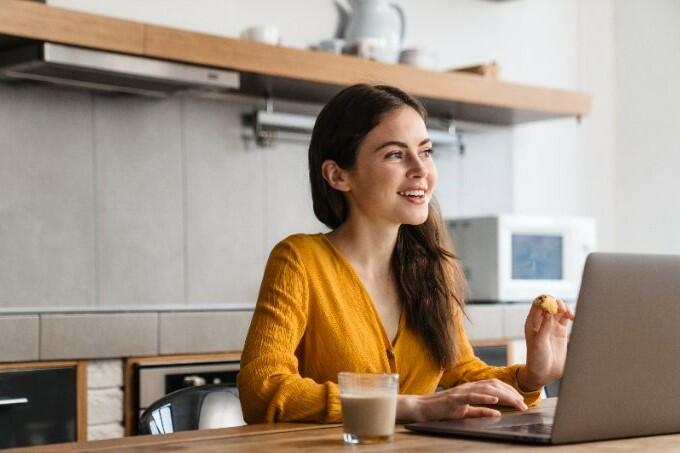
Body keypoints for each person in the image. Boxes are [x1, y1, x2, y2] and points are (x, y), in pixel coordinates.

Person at [237, 84, 574, 424]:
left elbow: (463, 374)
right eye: (395, 155)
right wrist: (411, 406)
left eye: (425, 152)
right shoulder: (299, 260)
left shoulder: (430, 269)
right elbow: (262, 389)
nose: (421, 169)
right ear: (338, 175)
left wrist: (532, 376)